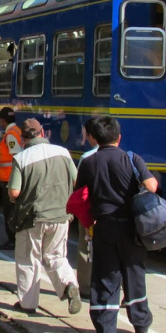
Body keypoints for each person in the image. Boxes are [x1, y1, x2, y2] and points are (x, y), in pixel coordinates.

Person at [74, 115, 156, 333]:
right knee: (134, 274)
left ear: (95, 138)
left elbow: (80, 194)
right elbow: (151, 187)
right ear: (119, 138)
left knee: (105, 279)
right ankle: (140, 323)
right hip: (131, 227)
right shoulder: (132, 159)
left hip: (104, 226)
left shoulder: (90, 162)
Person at [7, 118, 81, 316]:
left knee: (28, 259)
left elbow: (14, 192)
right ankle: (69, 286)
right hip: (61, 216)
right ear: (42, 134)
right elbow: (76, 181)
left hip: (32, 217)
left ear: (22, 139)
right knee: (56, 256)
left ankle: (28, 304)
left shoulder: (22, 158)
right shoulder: (63, 153)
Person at [73, 118, 100, 298]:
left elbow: (78, 186)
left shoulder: (87, 158)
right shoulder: (126, 156)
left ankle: (86, 288)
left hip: (91, 212)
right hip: (114, 214)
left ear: (91, 136)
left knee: (87, 249)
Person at [0, 107, 23, 249]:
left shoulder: (11, 135)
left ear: (3, 120)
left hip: (9, 178)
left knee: (9, 211)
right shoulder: (17, 131)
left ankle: (12, 239)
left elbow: (16, 155)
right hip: (11, 177)